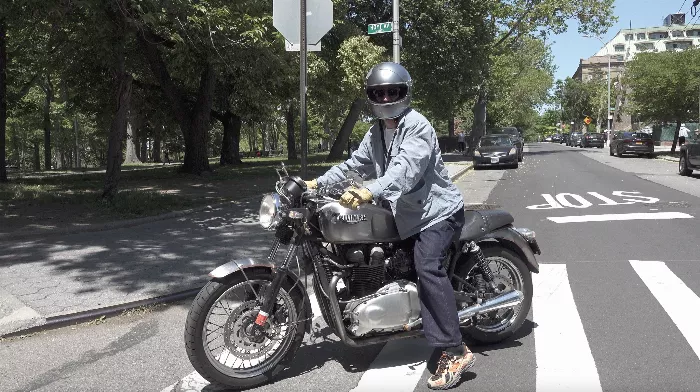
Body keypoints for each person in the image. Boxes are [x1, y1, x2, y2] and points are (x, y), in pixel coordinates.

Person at [304, 62, 474, 390]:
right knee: (393, 264)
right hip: (406, 216)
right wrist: (317, 184)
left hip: (437, 213)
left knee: (427, 266)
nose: (385, 97)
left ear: (404, 92)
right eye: (378, 93)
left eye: (391, 91)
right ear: (370, 96)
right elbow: (353, 163)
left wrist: (371, 189)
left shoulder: (417, 126)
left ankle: (455, 349)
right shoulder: (376, 132)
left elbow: (405, 171)